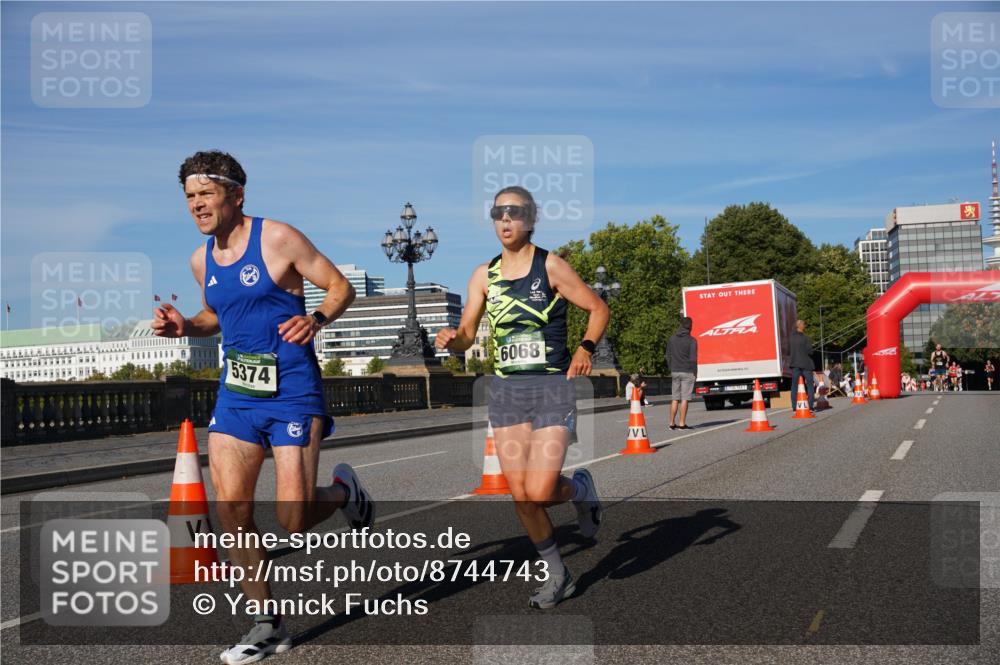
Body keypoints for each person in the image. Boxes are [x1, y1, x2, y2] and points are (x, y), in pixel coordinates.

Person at [152, 151, 376, 665]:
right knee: (232, 511)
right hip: (236, 396)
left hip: (293, 391)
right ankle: (267, 625)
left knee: (293, 520)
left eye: (206, 194)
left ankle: (342, 492)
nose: (196, 205)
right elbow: (215, 315)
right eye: (189, 197)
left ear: (236, 194)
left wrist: (316, 319)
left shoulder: (277, 238)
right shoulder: (201, 259)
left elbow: (339, 286)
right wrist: (186, 326)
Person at [434, 186, 609, 610]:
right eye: (498, 213)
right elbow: (468, 333)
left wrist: (585, 348)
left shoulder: (550, 266)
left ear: (530, 219)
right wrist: (454, 340)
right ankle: (558, 574)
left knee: (542, 489)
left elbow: (598, 308)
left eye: (514, 212)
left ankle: (580, 491)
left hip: (551, 388)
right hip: (507, 393)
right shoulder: (483, 275)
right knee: (523, 497)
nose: (505, 220)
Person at [666, 317, 698, 430]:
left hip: (675, 371)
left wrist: (671, 368)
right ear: (690, 326)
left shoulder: (672, 339)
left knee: (675, 398)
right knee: (684, 398)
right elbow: (693, 359)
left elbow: (668, 356)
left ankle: (671, 423)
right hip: (687, 371)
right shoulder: (692, 341)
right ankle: (682, 424)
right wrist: (695, 372)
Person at [789, 319, 816, 412]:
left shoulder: (791, 338)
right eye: (804, 324)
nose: (805, 326)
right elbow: (810, 351)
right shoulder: (806, 338)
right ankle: (810, 406)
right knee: (810, 385)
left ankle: (794, 406)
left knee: (794, 386)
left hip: (795, 363)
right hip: (806, 364)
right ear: (800, 326)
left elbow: (788, 350)